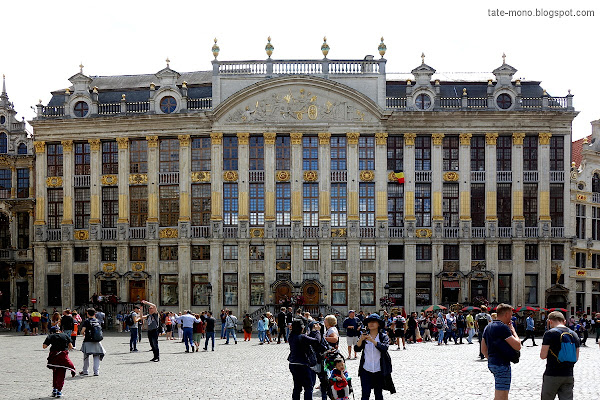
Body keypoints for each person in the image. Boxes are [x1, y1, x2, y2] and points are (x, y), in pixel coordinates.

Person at [481, 304, 521, 400]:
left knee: (500, 393)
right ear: (506, 314)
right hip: (502, 364)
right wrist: (513, 330)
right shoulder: (503, 327)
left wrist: (491, 359)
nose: (511, 317)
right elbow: (517, 345)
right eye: (511, 314)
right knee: (502, 396)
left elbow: (483, 349)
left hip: (492, 363)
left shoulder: (488, 327)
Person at [354, 313, 396, 400]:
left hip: (379, 370)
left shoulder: (383, 336)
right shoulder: (364, 336)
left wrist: (372, 341)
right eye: (369, 322)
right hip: (366, 369)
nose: (371, 324)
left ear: (378, 324)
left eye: (374, 322)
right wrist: (361, 339)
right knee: (365, 395)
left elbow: (385, 348)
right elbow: (357, 349)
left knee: (378, 394)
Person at [540, 311, 580, 400]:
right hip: (568, 374)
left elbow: (543, 355)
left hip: (552, 374)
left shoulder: (550, 333)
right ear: (564, 321)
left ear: (550, 321)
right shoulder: (574, 334)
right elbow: (576, 357)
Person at [288, 317, 328, 400]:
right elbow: (316, 341)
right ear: (301, 328)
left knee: (297, 386)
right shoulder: (302, 337)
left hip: (292, 364)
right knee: (308, 386)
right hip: (302, 364)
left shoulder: (291, 336)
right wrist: (317, 331)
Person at [43, 326, 75, 398]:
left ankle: (54, 389)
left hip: (54, 358)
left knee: (55, 373)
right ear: (59, 330)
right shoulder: (65, 335)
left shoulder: (50, 336)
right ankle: (59, 391)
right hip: (63, 357)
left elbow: (44, 346)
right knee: (61, 374)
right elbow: (70, 346)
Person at [79, 308, 106, 376]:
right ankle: (96, 372)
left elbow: (82, 331)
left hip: (88, 340)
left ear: (87, 314)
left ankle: (85, 371)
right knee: (96, 356)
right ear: (94, 314)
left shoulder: (86, 321)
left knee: (86, 357)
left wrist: (84, 334)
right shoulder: (98, 321)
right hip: (96, 341)